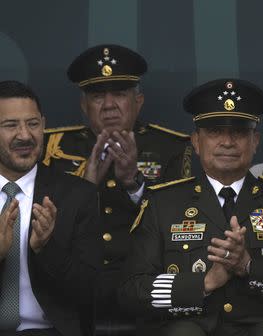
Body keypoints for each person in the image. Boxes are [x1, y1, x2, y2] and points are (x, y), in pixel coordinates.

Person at [119, 78, 263, 335]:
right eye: (215, 131)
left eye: (240, 132)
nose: (228, 142)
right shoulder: (162, 202)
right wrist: (205, 282)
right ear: (196, 142)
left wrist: (251, 266)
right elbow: (131, 291)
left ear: (255, 141)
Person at [41, 44, 192, 322]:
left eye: (120, 94)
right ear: (84, 106)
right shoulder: (51, 148)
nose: (109, 105)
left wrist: (133, 183)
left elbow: (181, 224)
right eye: (98, 96)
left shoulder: (172, 147)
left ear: (138, 102)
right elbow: (39, 226)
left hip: (141, 282)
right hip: (74, 281)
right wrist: (86, 187)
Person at [0, 80, 100, 336]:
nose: (25, 135)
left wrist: (47, 249)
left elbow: (91, 291)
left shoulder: (77, 195)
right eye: (10, 125)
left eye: (33, 124)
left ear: (44, 125)